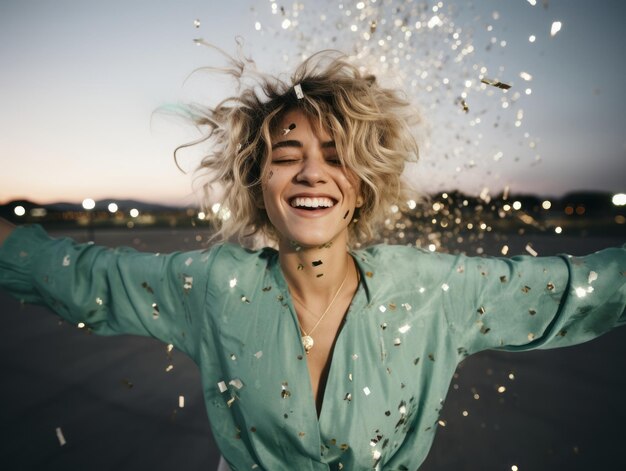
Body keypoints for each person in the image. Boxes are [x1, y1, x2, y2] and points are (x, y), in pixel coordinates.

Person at [0, 50, 625, 471]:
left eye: (336, 154)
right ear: (259, 183)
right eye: (286, 153)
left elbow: (586, 288)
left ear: (363, 185)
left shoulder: (436, 288)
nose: (311, 172)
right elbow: (79, 277)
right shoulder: (212, 286)